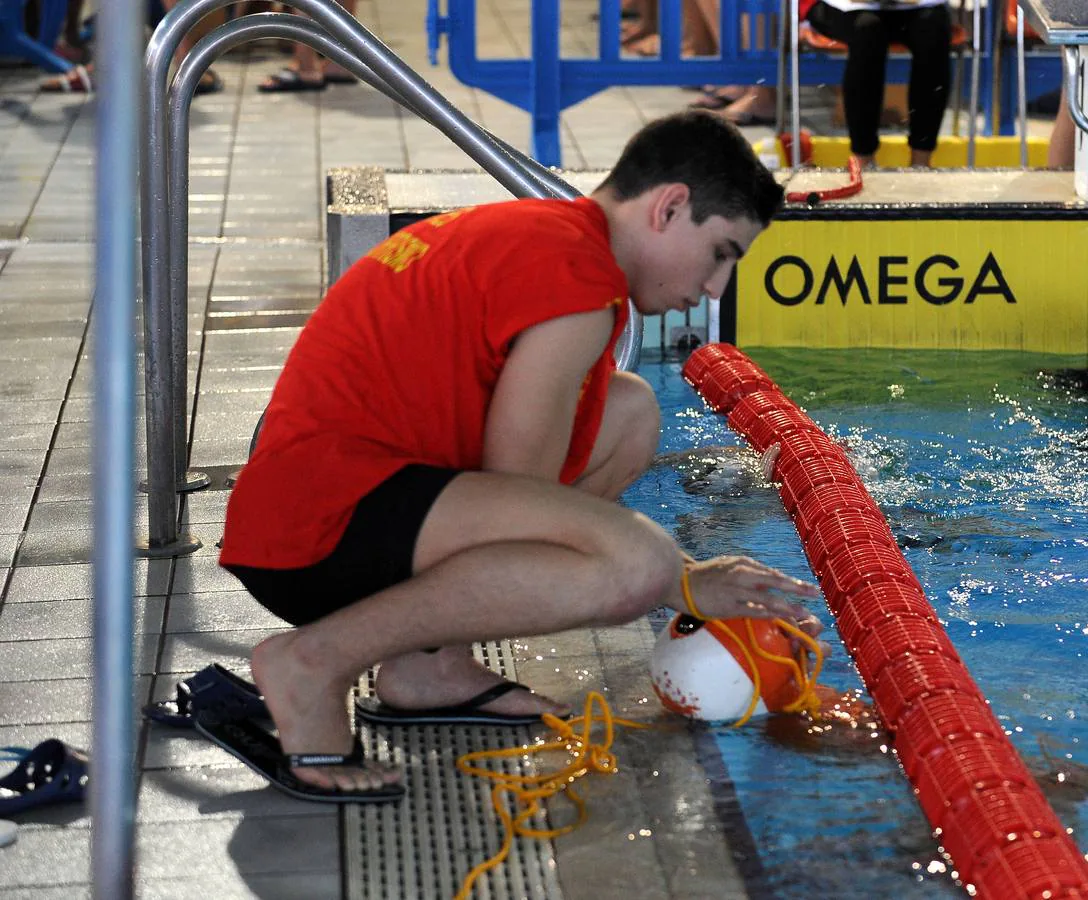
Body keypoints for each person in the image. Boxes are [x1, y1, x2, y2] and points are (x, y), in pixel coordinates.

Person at [217, 110, 824, 800]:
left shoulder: (550, 238)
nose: (715, 288)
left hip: (318, 505)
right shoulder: (576, 281)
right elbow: (520, 495)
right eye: (722, 253)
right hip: (315, 534)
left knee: (627, 413)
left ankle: (428, 670)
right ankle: (314, 663)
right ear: (671, 206)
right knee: (635, 563)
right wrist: (683, 580)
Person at [802, 0, 951, 167]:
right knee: (867, 29)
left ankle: (922, 160)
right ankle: (862, 157)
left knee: (932, 29)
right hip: (844, 8)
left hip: (917, 7)